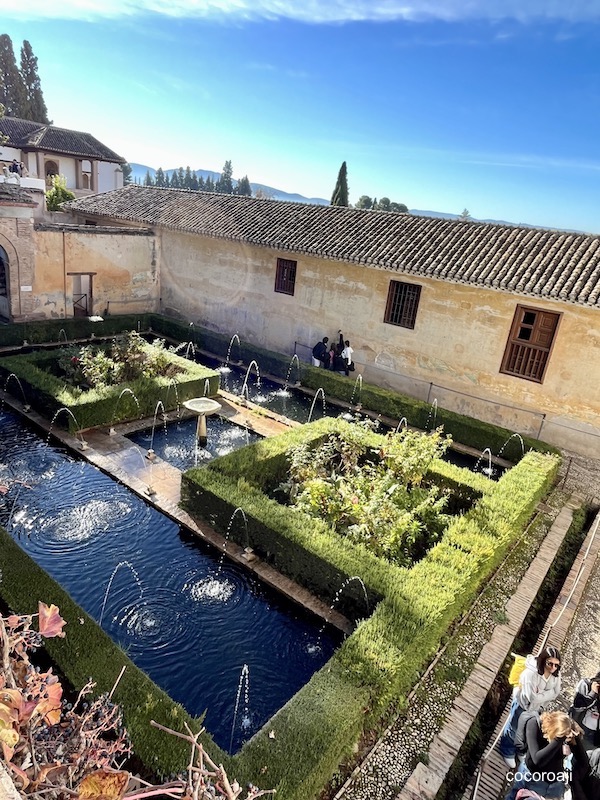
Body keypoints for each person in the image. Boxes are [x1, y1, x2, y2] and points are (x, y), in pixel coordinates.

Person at [499, 646, 562, 768]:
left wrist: (541, 695)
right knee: (514, 728)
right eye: (550, 664)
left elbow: (556, 692)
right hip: (523, 705)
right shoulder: (530, 674)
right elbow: (531, 697)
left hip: (538, 708)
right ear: (543, 660)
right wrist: (547, 694)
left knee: (529, 729)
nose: (553, 668)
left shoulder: (556, 674)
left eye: (556, 665)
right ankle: (506, 750)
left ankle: (520, 750)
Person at [507, 711, 585, 800]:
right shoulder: (534, 724)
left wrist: (576, 738)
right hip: (532, 779)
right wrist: (559, 739)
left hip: (555, 785)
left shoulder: (567, 729)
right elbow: (537, 760)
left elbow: (583, 761)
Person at [571, 671, 600, 750]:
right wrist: (592, 694)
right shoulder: (586, 685)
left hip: (596, 735)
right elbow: (578, 706)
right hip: (582, 728)